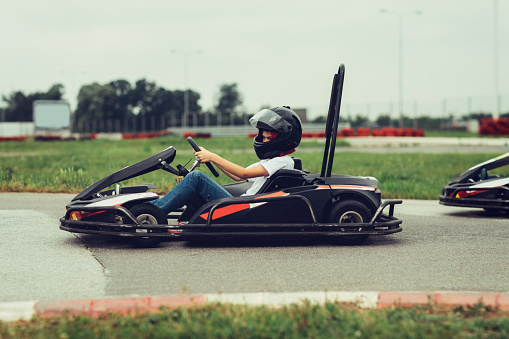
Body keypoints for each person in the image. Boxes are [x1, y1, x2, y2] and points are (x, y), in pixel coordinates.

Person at [150, 106, 302, 215]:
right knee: (194, 182)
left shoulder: (281, 162)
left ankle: (152, 212)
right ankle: (149, 208)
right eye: (264, 137)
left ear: (285, 139)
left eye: (269, 138)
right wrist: (212, 158)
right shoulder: (270, 161)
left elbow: (243, 173)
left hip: (243, 207)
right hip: (243, 203)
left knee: (196, 178)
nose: (265, 140)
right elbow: (237, 175)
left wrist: (213, 157)